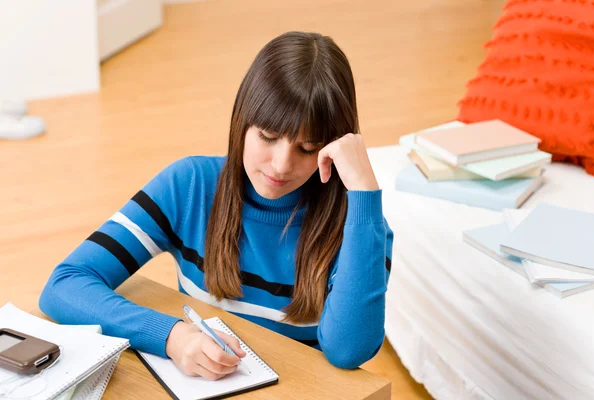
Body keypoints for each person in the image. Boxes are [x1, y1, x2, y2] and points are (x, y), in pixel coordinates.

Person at [39, 31, 393, 380]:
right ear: (242, 122)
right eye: (268, 137)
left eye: (307, 148)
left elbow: (349, 352)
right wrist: (171, 336)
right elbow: (64, 285)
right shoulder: (190, 185)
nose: (281, 165)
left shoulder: (362, 227)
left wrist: (363, 192)